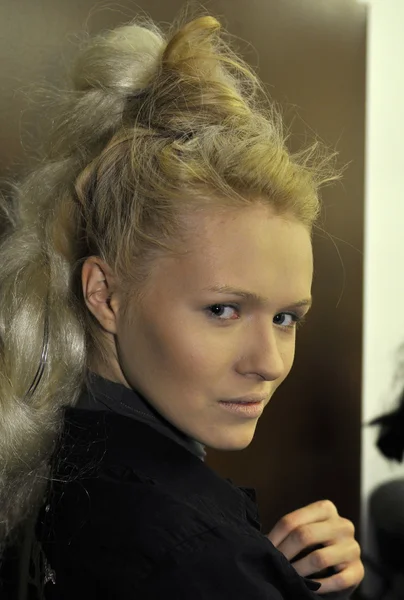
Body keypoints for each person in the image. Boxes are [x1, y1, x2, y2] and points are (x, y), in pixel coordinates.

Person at [0, 13, 363, 599]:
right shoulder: (186, 554)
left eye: (285, 317)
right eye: (223, 310)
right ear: (105, 296)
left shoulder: (63, 471)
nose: (268, 362)